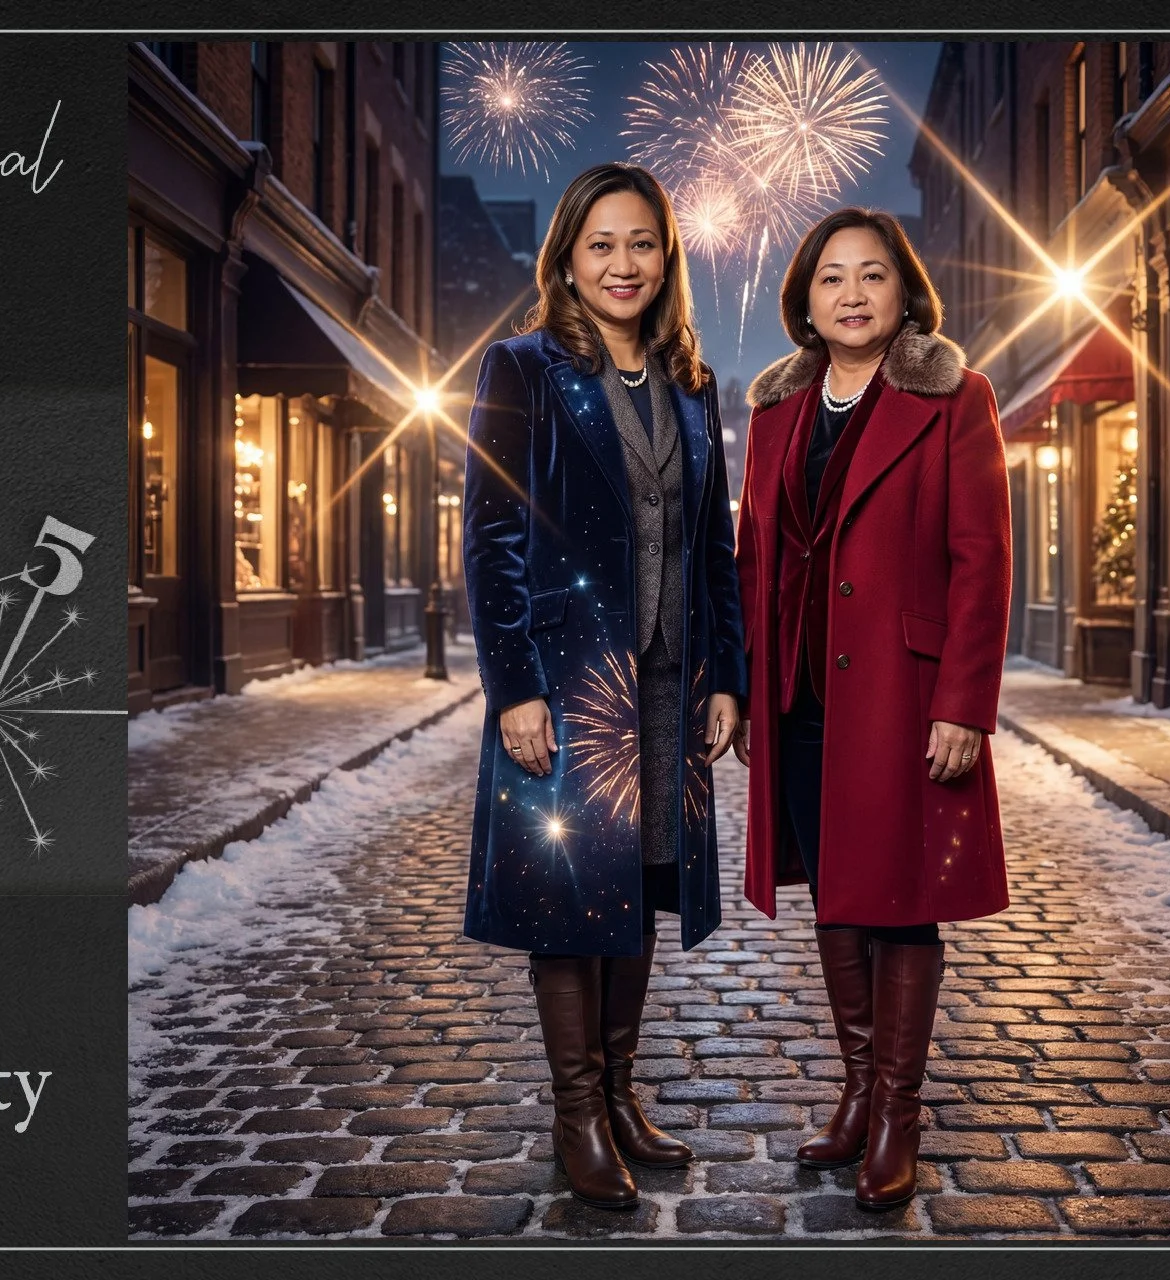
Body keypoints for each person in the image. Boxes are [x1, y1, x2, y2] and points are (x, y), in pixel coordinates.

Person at [461, 162, 747, 1211]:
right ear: (568, 261)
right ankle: (576, 1110)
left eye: (641, 243)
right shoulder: (523, 368)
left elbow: (711, 542)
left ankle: (622, 1094)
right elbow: (492, 538)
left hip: (671, 679)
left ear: (665, 254)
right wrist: (514, 687)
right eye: (601, 245)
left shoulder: (693, 382)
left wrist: (731, 677)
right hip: (569, 683)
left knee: (638, 887)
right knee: (572, 897)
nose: (622, 264)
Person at [728, 207, 1011, 1212]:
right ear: (805, 298)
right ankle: (855, 1090)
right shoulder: (775, 412)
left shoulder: (954, 397)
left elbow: (982, 559)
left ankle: (898, 1109)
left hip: (901, 694)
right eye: (832, 277)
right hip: (803, 691)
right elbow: (754, 552)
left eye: (873, 275)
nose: (852, 294)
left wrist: (963, 703)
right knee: (838, 892)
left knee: (902, 902)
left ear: (904, 291)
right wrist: (751, 684)